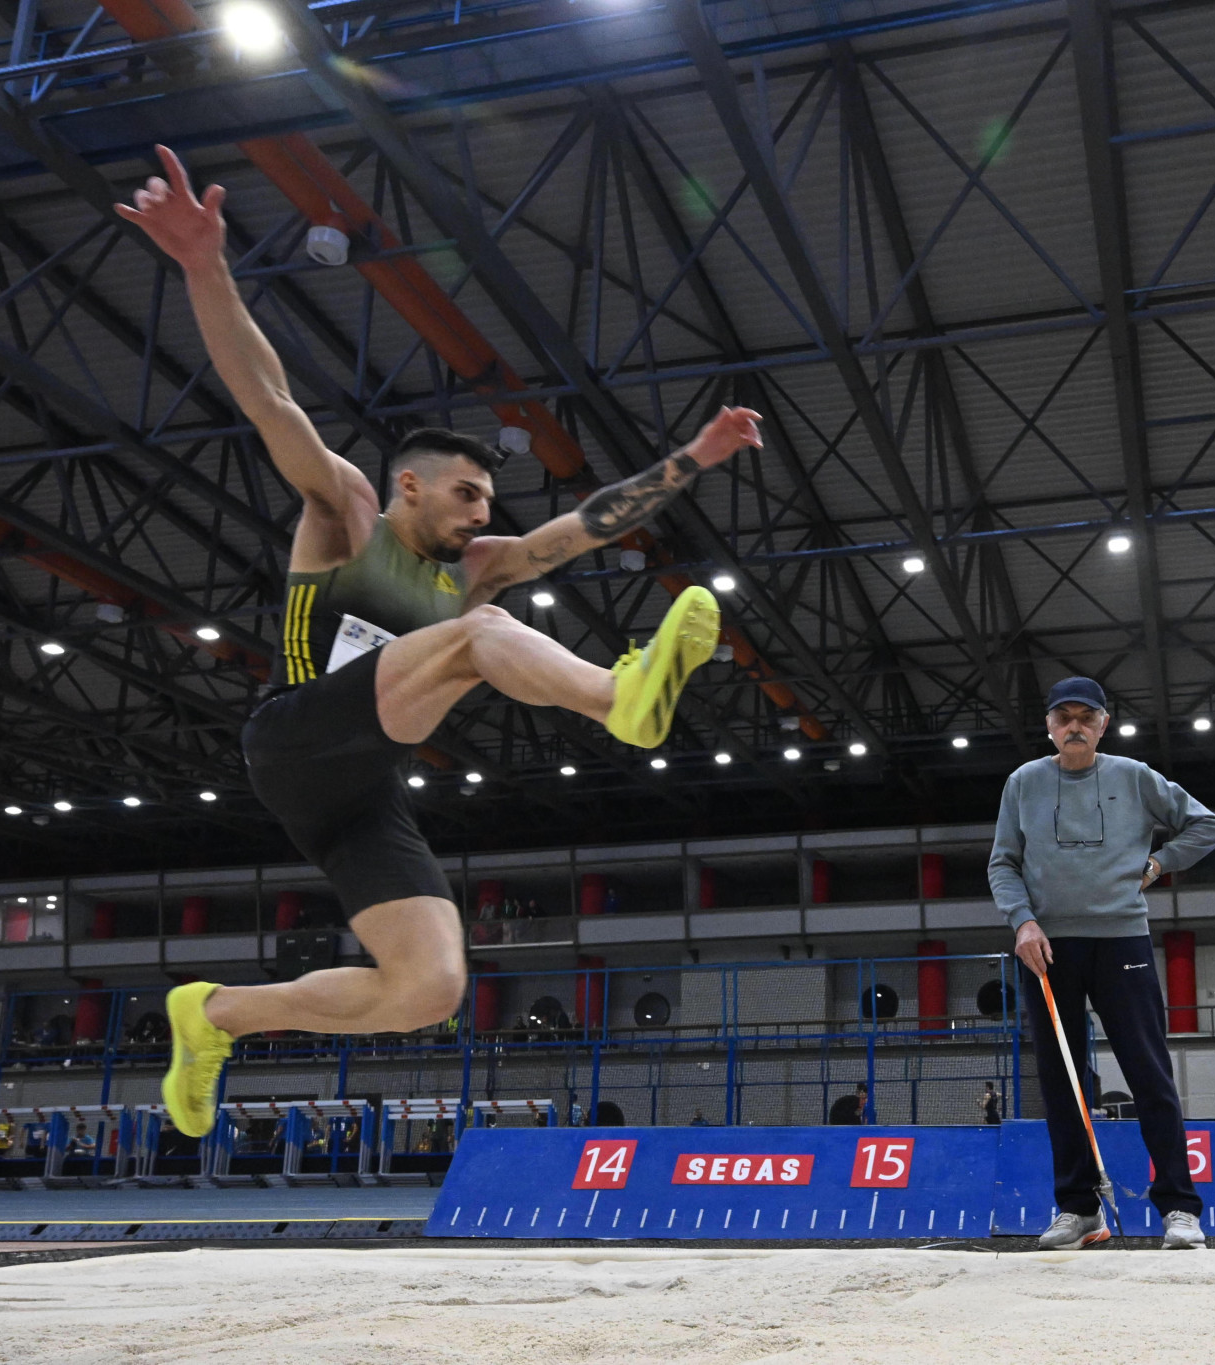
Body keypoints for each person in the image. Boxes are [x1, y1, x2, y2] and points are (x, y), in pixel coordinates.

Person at [117, 146, 760, 1139]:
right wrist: (205, 265)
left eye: (489, 502)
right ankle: (617, 697)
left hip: (361, 787)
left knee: (426, 988)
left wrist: (691, 459)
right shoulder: (345, 513)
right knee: (483, 633)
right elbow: (267, 397)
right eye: (468, 494)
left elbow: (585, 524)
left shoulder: (476, 566)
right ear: (411, 486)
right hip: (292, 736)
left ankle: (214, 1016)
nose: (481, 514)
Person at [989, 676, 1215, 1252]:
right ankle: (1078, 1211)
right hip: (1046, 948)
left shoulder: (1135, 777)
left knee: (1149, 1075)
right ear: (1048, 725)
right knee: (1062, 1080)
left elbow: (1209, 826)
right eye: (1063, 716)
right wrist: (1022, 921)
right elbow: (1003, 863)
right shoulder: (1023, 783)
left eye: (1086, 717)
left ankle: (1179, 1208)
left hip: (1122, 940)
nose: (1074, 726)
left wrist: (1159, 863)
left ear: (1103, 725)